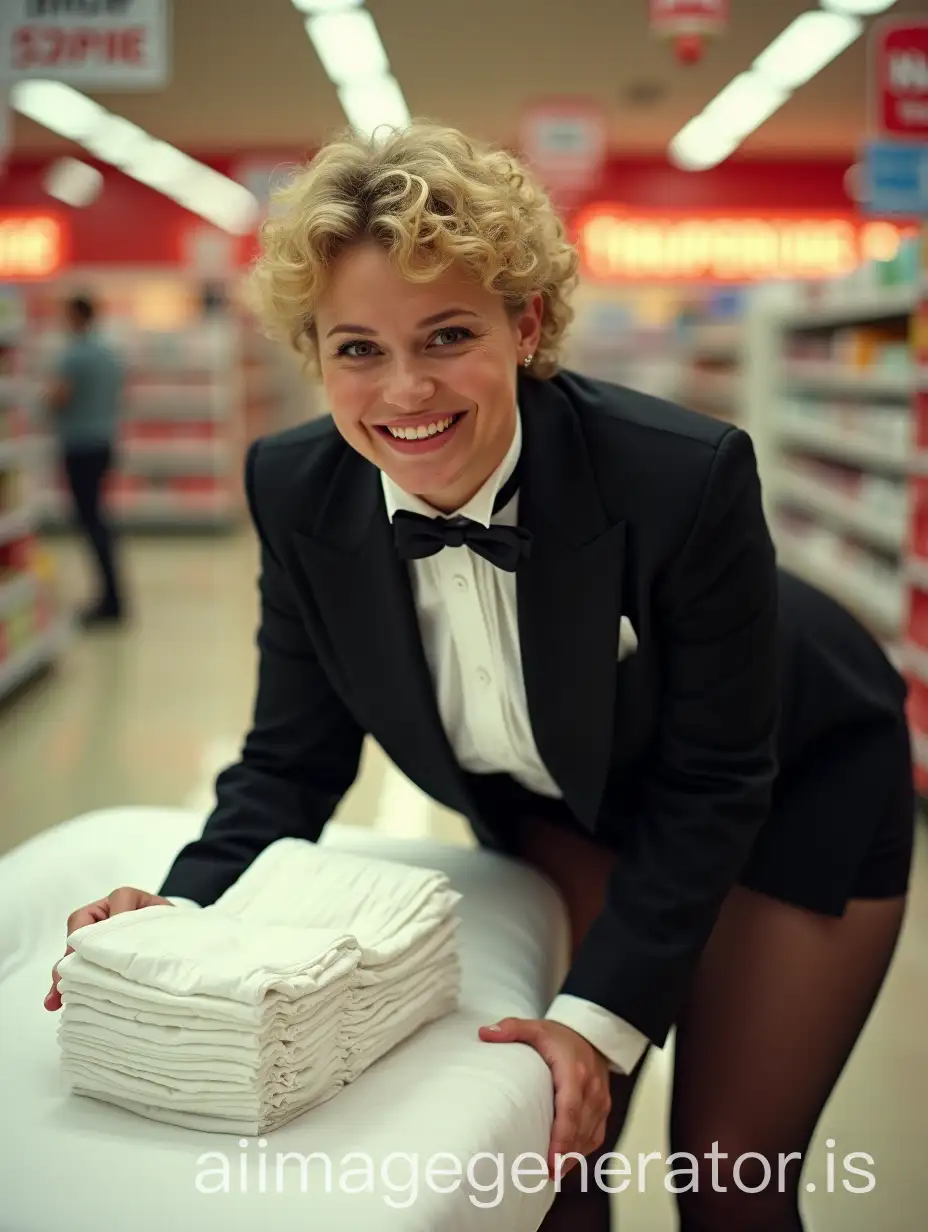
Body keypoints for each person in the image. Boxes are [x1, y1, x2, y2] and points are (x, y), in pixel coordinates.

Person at [45, 125, 914, 1231]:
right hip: (564, 796)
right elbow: (288, 758)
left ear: (526, 323)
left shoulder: (678, 474)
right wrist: (177, 912)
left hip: (793, 778)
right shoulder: (297, 487)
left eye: (447, 333)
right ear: (314, 352)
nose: (405, 389)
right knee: (551, 1159)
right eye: (356, 347)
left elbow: (715, 779)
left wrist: (600, 1015)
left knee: (725, 1176)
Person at [47, 294, 126, 626]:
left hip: (79, 446)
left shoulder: (74, 356)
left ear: (77, 316)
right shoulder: (109, 354)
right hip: (105, 442)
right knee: (99, 518)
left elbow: (59, 397)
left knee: (90, 521)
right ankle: (113, 595)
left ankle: (109, 600)